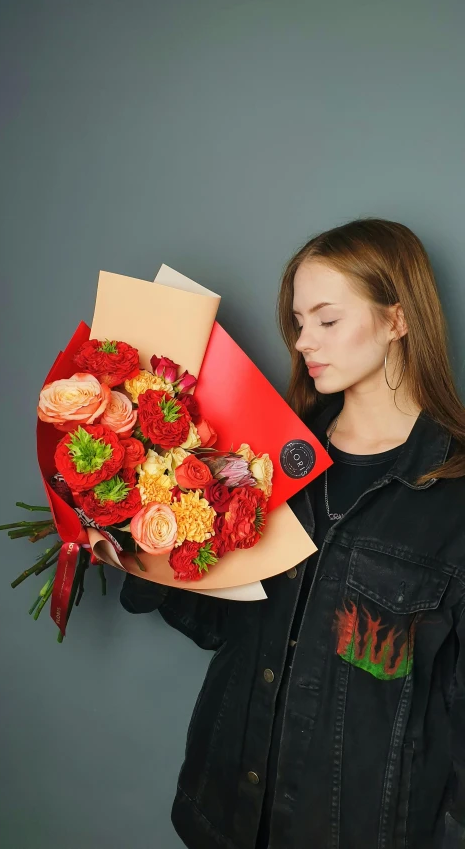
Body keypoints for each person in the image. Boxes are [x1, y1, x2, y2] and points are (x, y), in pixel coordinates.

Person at [120, 218, 465, 849]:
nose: (306, 341)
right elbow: (229, 629)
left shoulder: (454, 495)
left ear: (398, 318)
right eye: (299, 321)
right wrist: (143, 551)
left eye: (327, 320)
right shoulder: (269, 462)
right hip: (221, 814)